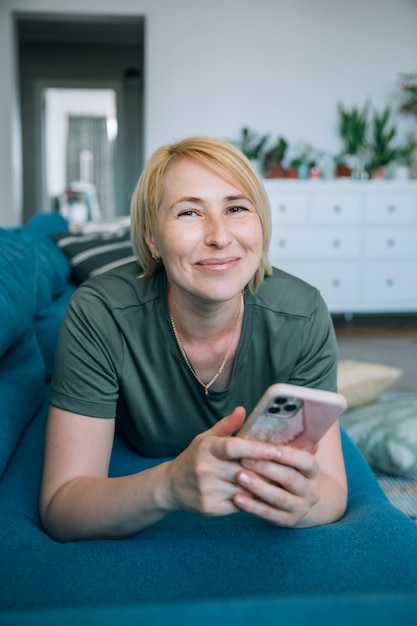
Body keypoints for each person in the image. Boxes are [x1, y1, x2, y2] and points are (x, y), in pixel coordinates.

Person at [40, 136, 347, 542]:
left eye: (236, 208)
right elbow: (62, 506)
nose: (219, 236)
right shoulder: (99, 313)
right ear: (152, 238)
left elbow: (331, 490)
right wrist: (167, 485)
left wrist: (302, 505)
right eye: (189, 212)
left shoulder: (302, 313)